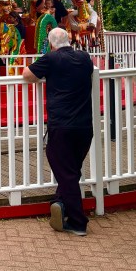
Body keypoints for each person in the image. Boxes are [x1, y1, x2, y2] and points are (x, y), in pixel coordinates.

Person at [22, 27, 94, 236]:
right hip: (84, 126)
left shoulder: (52, 59)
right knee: (71, 169)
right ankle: (60, 202)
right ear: (69, 40)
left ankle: (78, 222)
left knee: (65, 170)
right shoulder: (84, 57)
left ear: (52, 44)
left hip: (62, 125)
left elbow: (28, 75)